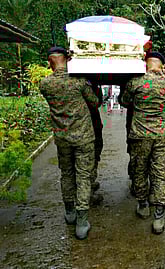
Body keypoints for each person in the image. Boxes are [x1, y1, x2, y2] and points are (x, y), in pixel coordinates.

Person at [39, 47, 98, 240]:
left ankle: (70, 211)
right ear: (68, 60)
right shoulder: (79, 81)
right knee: (83, 175)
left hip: (62, 138)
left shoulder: (45, 84)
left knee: (66, 173)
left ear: (50, 63)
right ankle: (81, 220)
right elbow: (95, 102)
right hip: (83, 138)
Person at [120, 52, 165, 234]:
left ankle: (143, 204)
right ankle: (159, 215)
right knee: (161, 173)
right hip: (161, 135)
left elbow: (124, 101)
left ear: (145, 63)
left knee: (140, 169)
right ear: (162, 64)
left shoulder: (136, 82)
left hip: (140, 135)